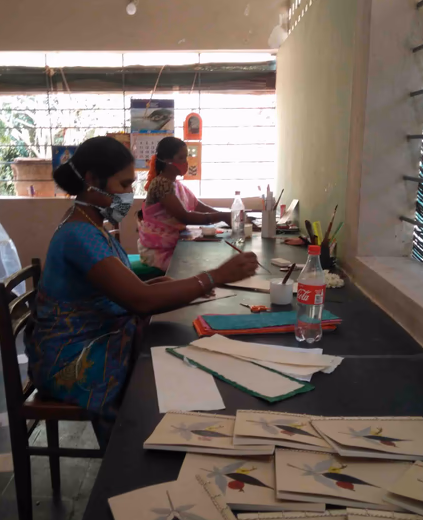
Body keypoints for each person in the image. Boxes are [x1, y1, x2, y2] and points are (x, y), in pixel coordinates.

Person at [25, 136, 257, 434]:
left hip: (93, 336)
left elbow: (129, 290)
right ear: (93, 180)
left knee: (171, 346)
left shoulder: (91, 225)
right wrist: (215, 276)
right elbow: (141, 300)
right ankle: (137, 455)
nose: (128, 195)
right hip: (69, 359)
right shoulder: (78, 235)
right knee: (160, 371)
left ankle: (173, 435)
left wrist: (165, 285)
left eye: (131, 185)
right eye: (123, 185)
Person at [138, 136, 233, 271]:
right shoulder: (161, 183)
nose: (186, 162)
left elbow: (198, 206)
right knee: (200, 266)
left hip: (171, 244)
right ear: (167, 161)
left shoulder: (175, 184)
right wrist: (221, 216)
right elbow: (184, 216)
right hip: (158, 251)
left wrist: (226, 215)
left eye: (186, 157)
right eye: (181, 158)